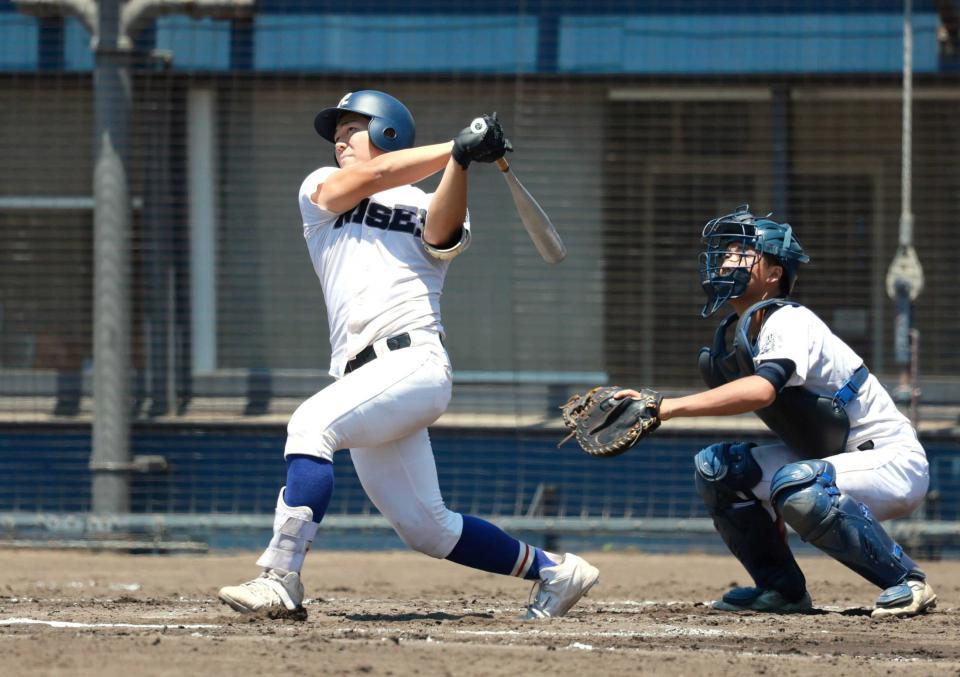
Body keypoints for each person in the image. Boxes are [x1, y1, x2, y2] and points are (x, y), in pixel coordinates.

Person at [217, 90, 598, 620]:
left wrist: (461, 161)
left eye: (353, 128)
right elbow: (368, 181)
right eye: (338, 132)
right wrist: (456, 146)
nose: (340, 139)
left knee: (310, 425)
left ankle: (280, 577)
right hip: (362, 376)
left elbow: (441, 235)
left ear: (387, 132)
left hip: (413, 361)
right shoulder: (320, 189)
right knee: (427, 528)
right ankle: (555, 570)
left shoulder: (430, 198)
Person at [617, 204, 935, 618]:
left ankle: (907, 581)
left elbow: (762, 390)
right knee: (719, 469)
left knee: (798, 485)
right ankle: (782, 589)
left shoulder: (787, 319)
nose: (728, 258)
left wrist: (666, 407)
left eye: (743, 251)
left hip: (890, 461)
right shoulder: (743, 332)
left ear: (774, 273)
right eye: (727, 251)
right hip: (830, 460)